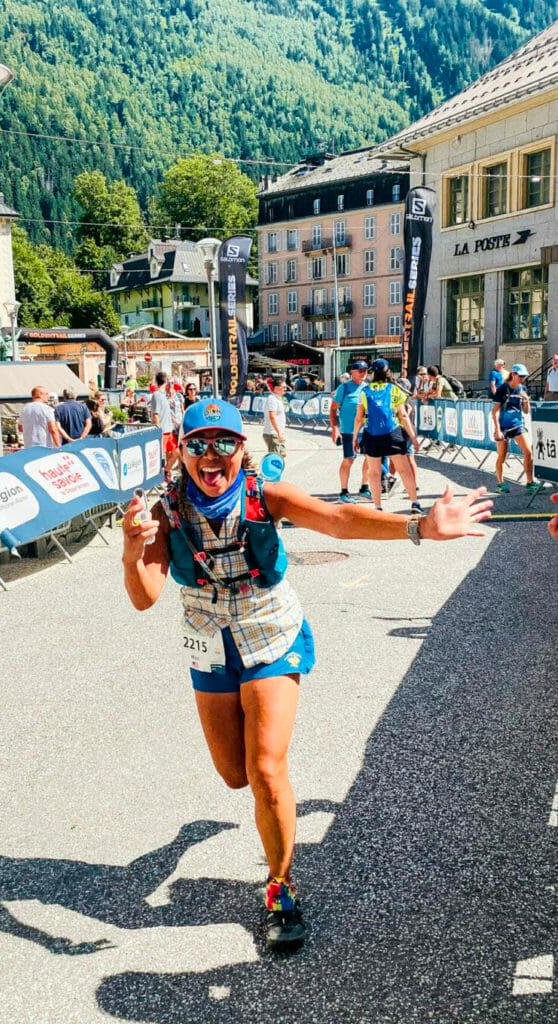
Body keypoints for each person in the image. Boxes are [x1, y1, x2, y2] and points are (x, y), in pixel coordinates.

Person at [122, 398, 492, 952]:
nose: (212, 455)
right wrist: (132, 553)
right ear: (182, 451)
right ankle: (214, 839)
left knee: (266, 767)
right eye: (199, 443)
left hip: (269, 630)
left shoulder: (263, 495)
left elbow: (339, 519)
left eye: (225, 442)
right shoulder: (167, 509)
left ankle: (280, 889)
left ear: (241, 448)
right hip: (208, 641)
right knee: (234, 775)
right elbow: (145, 598)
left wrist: (420, 526)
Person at [352, 360, 421, 512]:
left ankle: (378, 507)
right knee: (404, 470)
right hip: (392, 433)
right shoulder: (394, 389)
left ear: (373, 373)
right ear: (388, 372)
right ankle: (415, 503)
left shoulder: (364, 391)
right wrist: (413, 437)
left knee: (374, 472)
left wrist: (355, 438)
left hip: (371, 434)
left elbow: (358, 418)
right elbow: (403, 415)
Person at [491, 363, 541, 494]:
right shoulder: (502, 389)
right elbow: (495, 412)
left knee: (528, 451)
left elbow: (526, 411)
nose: (523, 378)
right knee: (502, 456)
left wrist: (526, 400)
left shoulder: (522, 388)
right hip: (503, 426)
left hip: (517, 425)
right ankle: (500, 483)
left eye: (525, 376)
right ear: (513, 374)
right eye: (521, 376)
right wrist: (497, 430)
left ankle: (530, 482)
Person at [330, 360, 370, 503]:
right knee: (349, 460)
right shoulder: (344, 388)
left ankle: (364, 488)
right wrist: (335, 429)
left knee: (369, 460)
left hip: (366, 430)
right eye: (360, 370)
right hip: (348, 431)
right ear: (352, 372)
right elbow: (333, 409)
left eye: (365, 370)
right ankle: (343, 492)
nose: (364, 373)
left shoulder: (368, 388)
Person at [150, 371, 176, 477]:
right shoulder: (156, 395)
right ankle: (165, 475)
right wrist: (158, 431)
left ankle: (166, 472)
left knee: (175, 452)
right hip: (163, 431)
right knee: (161, 456)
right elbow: (155, 415)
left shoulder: (164, 395)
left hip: (169, 430)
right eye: (170, 381)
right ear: (166, 381)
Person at [263, 377, 287, 459]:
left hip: (277, 433)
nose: (285, 389)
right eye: (283, 387)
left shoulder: (277, 398)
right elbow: (272, 417)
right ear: (276, 388)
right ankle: (267, 471)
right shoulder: (272, 399)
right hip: (272, 433)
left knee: (281, 455)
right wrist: (279, 432)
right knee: (274, 459)